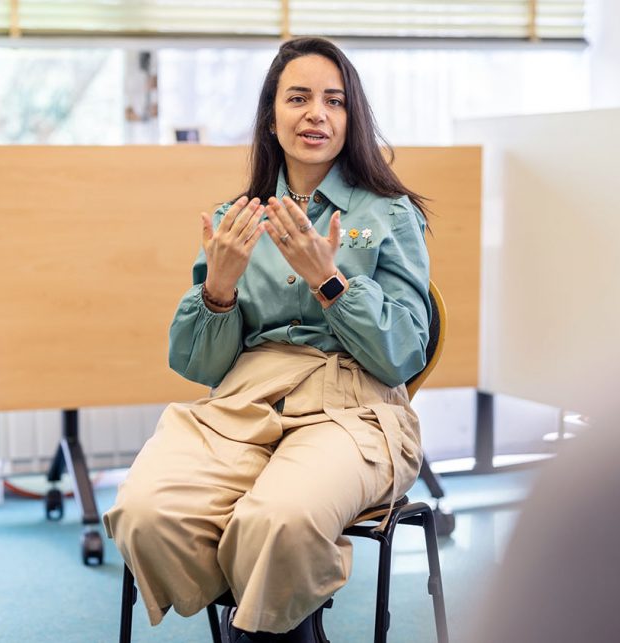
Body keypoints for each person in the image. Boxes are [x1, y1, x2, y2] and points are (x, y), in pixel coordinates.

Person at [104, 36, 431, 643]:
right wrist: (220, 287)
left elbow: (404, 353)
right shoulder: (239, 216)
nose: (317, 114)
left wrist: (328, 281)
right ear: (271, 117)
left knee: (278, 520)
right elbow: (196, 364)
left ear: (350, 118)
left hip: (354, 407)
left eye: (334, 101)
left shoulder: (390, 213)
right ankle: (266, 619)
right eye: (299, 98)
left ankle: (267, 628)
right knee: (146, 515)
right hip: (242, 404)